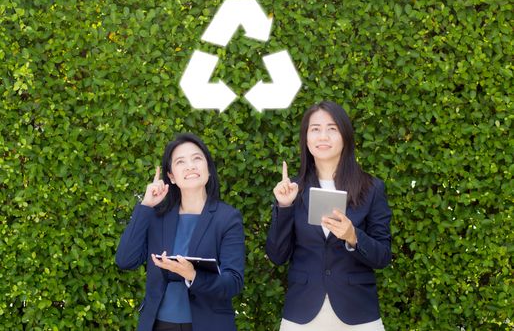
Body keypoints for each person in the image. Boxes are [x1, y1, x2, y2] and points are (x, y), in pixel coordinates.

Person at [266, 101, 392, 330]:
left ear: (345, 135)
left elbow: (383, 256)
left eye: (332, 128)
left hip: (357, 312)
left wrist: (353, 236)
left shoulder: (371, 187)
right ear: (306, 138)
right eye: (315, 129)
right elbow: (277, 256)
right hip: (302, 312)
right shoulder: (293, 188)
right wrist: (284, 207)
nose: (322, 136)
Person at [116, 133, 245, 331]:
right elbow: (125, 260)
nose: (190, 166)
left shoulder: (227, 218)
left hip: (208, 324)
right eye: (180, 161)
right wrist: (146, 206)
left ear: (208, 169)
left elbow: (233, 282)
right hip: (158, 325)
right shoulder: (158, 216)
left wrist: (193, 275)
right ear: (171, 177)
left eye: (197, 158)